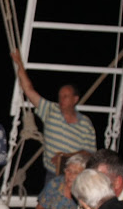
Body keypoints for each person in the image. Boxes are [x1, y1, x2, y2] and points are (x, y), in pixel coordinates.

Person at [11, 49, 96, 183]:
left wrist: (65, 158)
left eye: (65, 96)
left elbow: (90, 153)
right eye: (60, 96)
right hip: (53, 175)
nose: (61, 99)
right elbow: (29, 90)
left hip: (78, 176)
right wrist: (19, 64)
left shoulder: (86, 123)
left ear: (75, 99)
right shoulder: (50, 110)